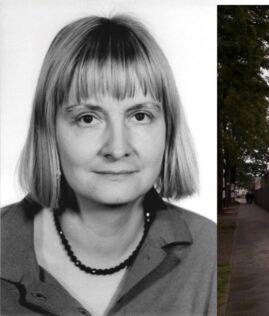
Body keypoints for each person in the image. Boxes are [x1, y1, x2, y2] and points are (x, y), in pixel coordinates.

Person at [1, 15, 216, 315]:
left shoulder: (208, 255)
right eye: (88, 118)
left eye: (139, 115)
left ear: (169, 129)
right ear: (49, 131)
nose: (117, 148)